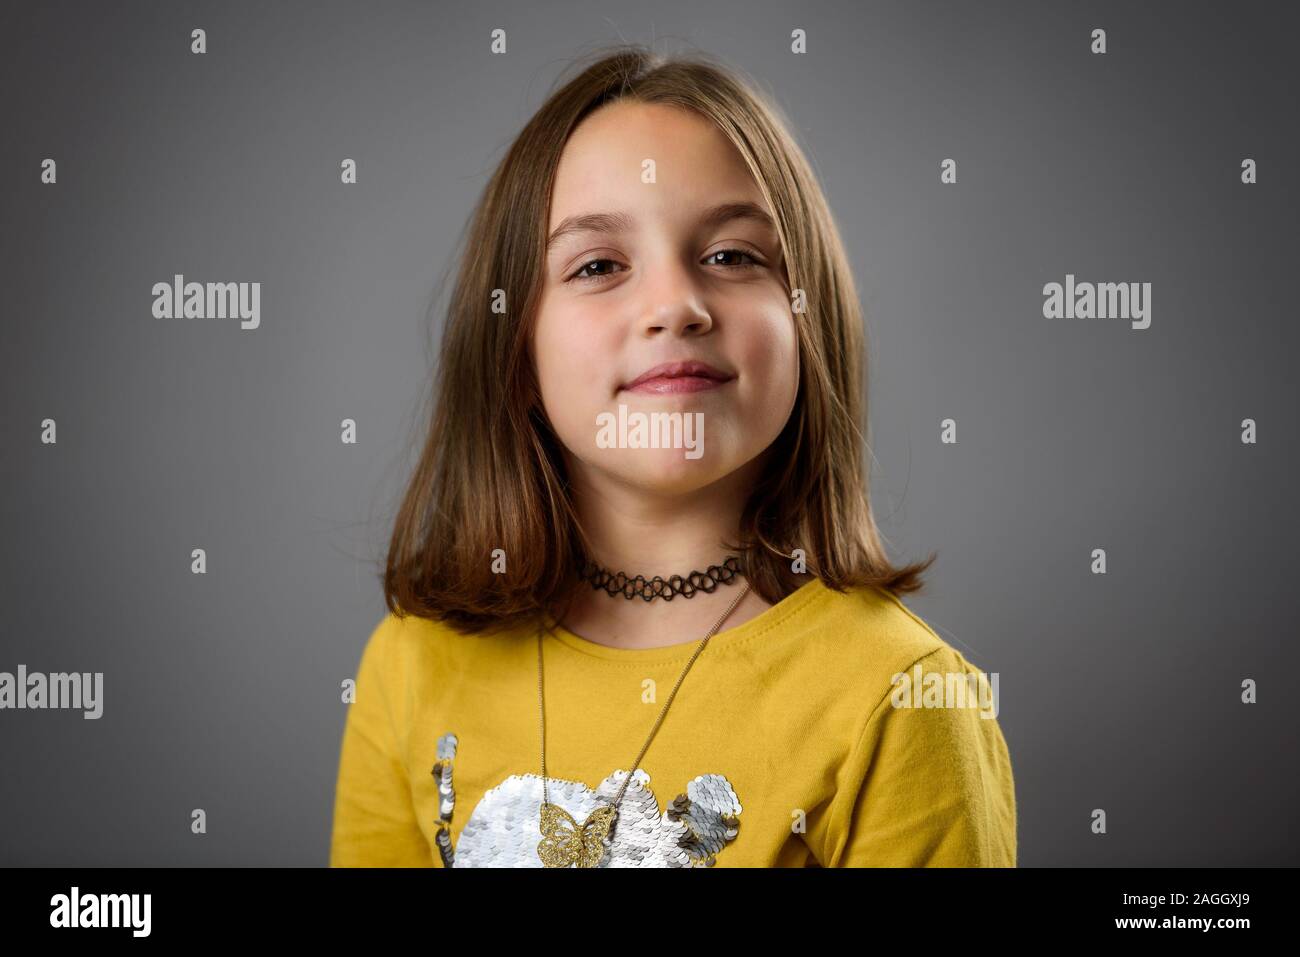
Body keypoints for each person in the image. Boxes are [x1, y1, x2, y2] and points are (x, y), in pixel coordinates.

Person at [329, 44, 1016, 868]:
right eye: (598, 265)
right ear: (515, 351)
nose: (675, 305)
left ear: (809, 319)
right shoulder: (410, 665)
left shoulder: (906, 700)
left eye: (732, 256)